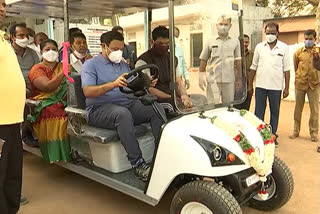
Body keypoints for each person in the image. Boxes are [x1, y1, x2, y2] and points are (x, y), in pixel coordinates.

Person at [81, 31, 165, 181]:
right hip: (99, 109)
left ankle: (163, 155)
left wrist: (146, 83)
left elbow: (132, 87)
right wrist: (113, 84)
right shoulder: (90, 65)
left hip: (126, 103)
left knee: (155, 108)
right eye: (114, 49)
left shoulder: (123, 65)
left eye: (121, 48)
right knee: (122, 114)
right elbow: (88, 92)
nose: (118, 52)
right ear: (103, 46)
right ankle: (138, 163)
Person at [0, 1, 26, 213]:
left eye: (3, 4)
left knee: (12, 173)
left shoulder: (2, 38)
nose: (3, 8)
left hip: (12, 119)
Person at [28, 39, 71, 163]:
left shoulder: (63, 66)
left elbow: (75, 83)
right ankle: (56, 153)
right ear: (41, 52)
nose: (51, 52)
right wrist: (63, 73)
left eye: (54, 49)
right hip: (43, 103)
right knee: (59, 113)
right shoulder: (37, 69)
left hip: (63, 100)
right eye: (47, 49)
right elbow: (47, 87)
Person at [248, 23, 290, 146]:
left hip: (276, 86)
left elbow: (286, 69)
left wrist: (286, 87)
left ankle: (272, 135)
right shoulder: (259, 47)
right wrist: (250, 84)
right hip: (260, 85)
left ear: (278, 33)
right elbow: (253, 66)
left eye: (272, 33)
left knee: (274, 111)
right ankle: (259, 134)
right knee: (259, 111)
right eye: (267, 33)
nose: (269, 35)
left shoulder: (284, 47)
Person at [136, 26, 192, 111]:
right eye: (160, 43)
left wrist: (184, 95)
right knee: (176, 106)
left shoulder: (173, 58)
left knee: (200, 99)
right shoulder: (143, 61)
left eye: (167, 43)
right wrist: (172, 98)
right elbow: (148, 89)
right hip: (156, 99)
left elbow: (179, 80)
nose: (164, 46)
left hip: (173, 96)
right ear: (152, 42)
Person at [199, 15, 242, 104]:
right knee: (212, 106)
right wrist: (201, 76)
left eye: (226, 24)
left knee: (228, 106)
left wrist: (239, 79)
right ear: (216, 26)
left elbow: (238, 61)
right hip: (213, 80)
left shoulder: (235, 41)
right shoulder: (210, 41)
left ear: (230, 26)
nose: (223, 27)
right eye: (221, 24)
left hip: (229, 80)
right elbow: (203, 59)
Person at [290, 30, 319, 142]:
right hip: (300, 83)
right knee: (298, 108)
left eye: (310, 39)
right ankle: (295, 131)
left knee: (315, 110)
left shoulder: (318, 52)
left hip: (314, 84)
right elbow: (295, 66)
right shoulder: (298, 52)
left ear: (314, 39)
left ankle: (314, 133)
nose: (308, 41)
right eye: (306, 38)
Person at [9, 23, 40, 89]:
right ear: (12, 37)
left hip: (33, 88)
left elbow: (39, 72)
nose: (25, 38)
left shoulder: (32, 53)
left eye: (27, 36)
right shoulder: (6, 52)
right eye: (21, 35)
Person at [234, 34, 254, 110]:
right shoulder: (233, 55)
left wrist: (250, 86)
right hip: (236, 87)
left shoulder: (252, 54)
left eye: (247, 42)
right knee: (236, 110)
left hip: (248, 87)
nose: (245, 44)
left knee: (245, 110)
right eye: (243, 42)